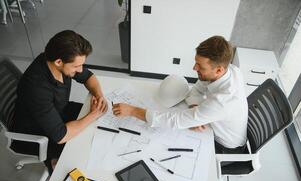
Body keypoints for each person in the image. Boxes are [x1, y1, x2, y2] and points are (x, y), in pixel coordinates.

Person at [112, 36, 248, 154]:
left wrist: (132, 110)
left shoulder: (223, 102)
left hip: (223, 146)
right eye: (196, 62)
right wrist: (195, 108)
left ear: (219, 70)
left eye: (200, 66)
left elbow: (175, 120)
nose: (194, 68)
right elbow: (196, 89)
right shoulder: (230, 70)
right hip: (215, 124)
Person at [12, 30, 108, 173]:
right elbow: (61, 135)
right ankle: (53, 164)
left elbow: (89, 77)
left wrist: (99, 96)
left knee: (98, 129)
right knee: (82, 158)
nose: (80, 69)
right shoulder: (36, 87)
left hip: (58, 112)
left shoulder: (57, 61)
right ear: (58, 62)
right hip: (37, 132)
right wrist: (93, 115)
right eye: (76, 66)